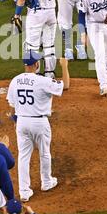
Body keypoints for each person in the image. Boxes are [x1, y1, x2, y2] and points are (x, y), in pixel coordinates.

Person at [6, 50, 67, 201]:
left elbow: (12, 105)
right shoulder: (42, 81)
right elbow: (65, 87)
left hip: (22, 122)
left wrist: (15, 121)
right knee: (44, 152)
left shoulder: (15, 80)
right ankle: (46, 182)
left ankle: (24, 192)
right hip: (39, 122)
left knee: (23, 156)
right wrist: (65, 67)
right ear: (36, 64)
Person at [13, 0, 68, 78]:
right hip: (51, 12)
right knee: (49, 45)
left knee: (32, 45)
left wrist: (17, 15)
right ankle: (50, 75)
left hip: (36, 14)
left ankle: (34, 75)